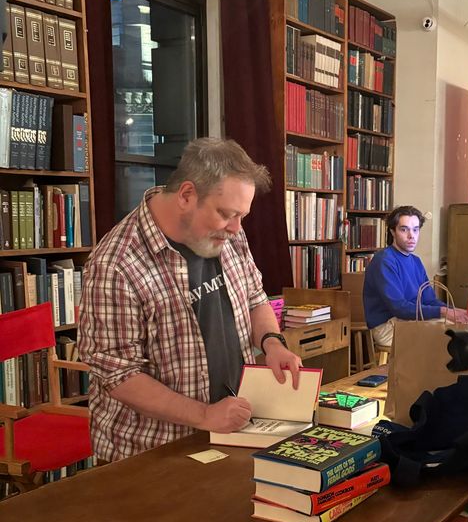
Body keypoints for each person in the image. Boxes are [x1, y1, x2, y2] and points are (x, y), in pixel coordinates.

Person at [78, 137, 302, 462]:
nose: (237, 228)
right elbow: (120, 375)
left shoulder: (230, 234)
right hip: (151, 455)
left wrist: (272, 343)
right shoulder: (117, 264)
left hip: (229, 431)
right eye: (226, 214)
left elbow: (255, 299)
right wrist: (204, 415)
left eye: (242, 215)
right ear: (186, 195)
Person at [362, 204, 468, 347]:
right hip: (388, 326)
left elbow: (429, 300)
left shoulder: (415, 261)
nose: (411, 236)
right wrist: (445, 313)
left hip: (409, 320)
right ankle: (432, 369)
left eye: (415, 230)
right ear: (393, 232)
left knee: (467, 327)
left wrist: (456, 311)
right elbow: (400, 309)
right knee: (450, 335)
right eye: (404, 229)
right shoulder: (384, 260)